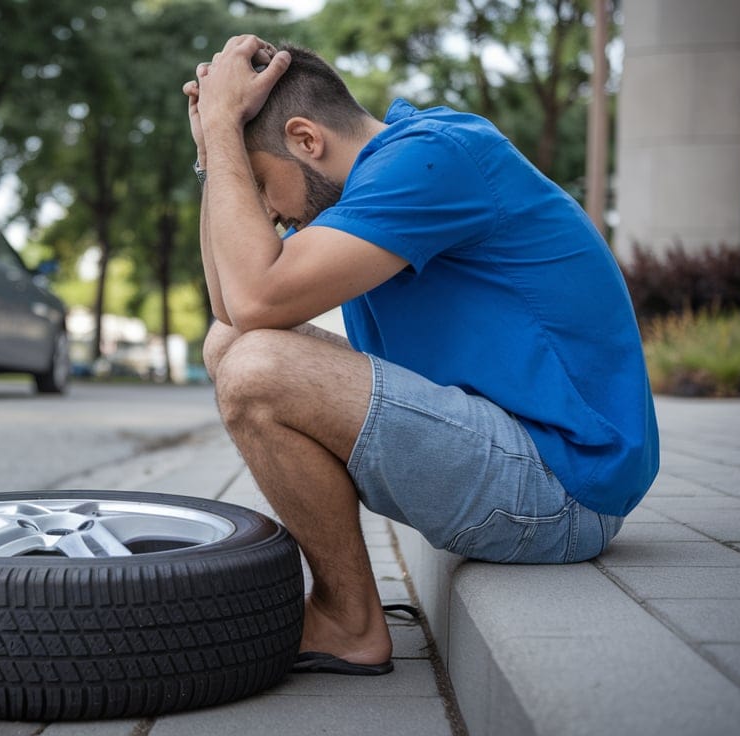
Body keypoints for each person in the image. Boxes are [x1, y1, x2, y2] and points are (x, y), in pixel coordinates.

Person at [183, 36, 659, 676]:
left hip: (564, 490)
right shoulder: (385, 177)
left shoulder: (433, 158)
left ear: (305, 139)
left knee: (257, 368)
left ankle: (347, 621)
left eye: (263, 185)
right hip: (507, 456)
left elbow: (256, 298)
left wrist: (221, 125)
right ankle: (346, 613)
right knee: (231, 345)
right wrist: (219, 157)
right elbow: (231, 308)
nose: (266, 212)